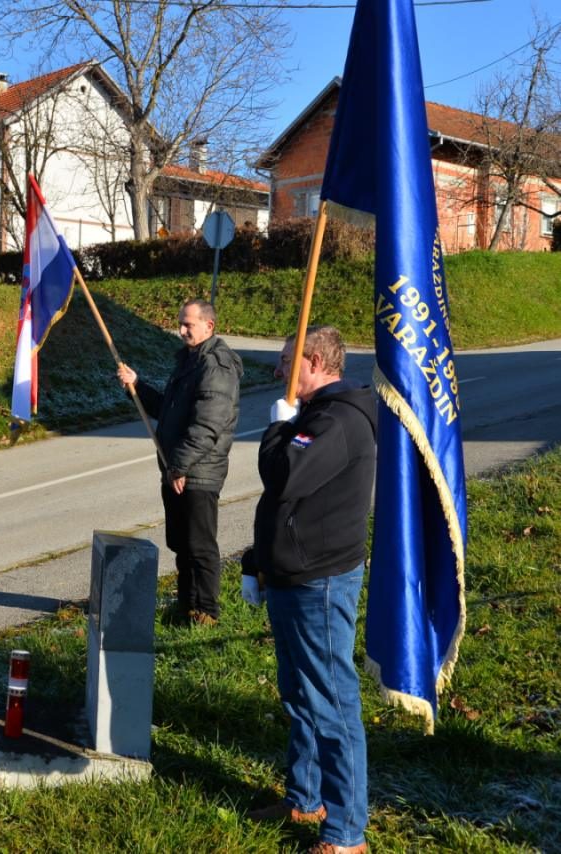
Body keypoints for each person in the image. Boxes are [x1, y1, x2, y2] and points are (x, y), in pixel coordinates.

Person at [241, 326, 376, 854]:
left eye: (285, 361)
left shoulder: (338, 421)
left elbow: (285, 477)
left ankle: (346, 833)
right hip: (292, 574)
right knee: (299, 695)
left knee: (332, 703)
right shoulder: (316, 416)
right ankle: (306, 796)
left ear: (314, 361)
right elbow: (286, 508)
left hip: (319, 581)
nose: (278, 371)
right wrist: (259, 561)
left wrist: (277, 430)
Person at [116, 298, 241, 625]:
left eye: (189, 324)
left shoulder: (216, 366)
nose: (182, 329)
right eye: (180, 323)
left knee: (199, 546)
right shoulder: (189, 361)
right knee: (181, 544)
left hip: (197, 472)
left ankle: (206, 613)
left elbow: (207, 425)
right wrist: (137, 386)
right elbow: (170, 411)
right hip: (177, 469)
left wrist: (180, 466)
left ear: (209, 326)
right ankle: (187, 606)